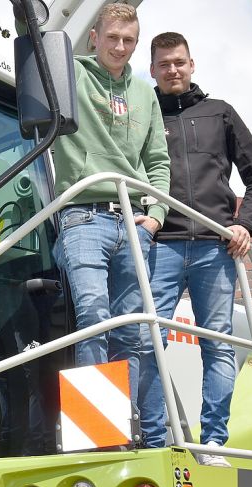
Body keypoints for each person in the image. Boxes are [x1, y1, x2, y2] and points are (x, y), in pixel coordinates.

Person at [137, 32, 252, 466]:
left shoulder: (220, 113)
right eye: (163, 64)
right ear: (152, 70)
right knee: (146, 338)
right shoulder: (143, 113)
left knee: (219, 344)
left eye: (178, 62)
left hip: (217, 247)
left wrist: (244, 224)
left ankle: (214, 442)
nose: (172, 70)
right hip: (163, 245)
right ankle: (156, 439)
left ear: (192, 64)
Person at [52, 4, 170, 382]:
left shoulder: (144, 93)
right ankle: (98, 431)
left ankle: (126, 426)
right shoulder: (69, 74)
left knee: (130, 328)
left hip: (133, 220)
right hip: (83, 216)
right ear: (94, 38)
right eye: (113, 38)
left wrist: (157, 217)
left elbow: (158, 161)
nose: (120, 47)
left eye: (129, 40)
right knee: (93, 314)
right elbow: (35, 39)